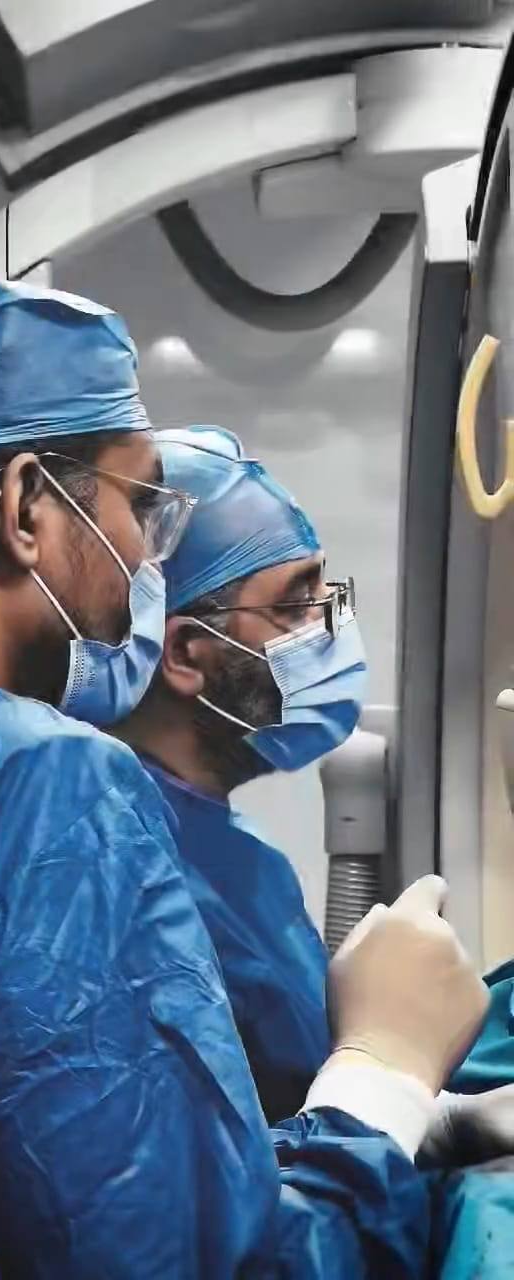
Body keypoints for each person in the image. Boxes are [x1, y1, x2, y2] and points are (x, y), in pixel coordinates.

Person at [0, 281, 488, 1279]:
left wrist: (429, 1118)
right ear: (29, 505)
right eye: (141, 509)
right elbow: (188, 1257)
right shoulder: (37, 786)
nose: (143, 564)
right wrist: (386, 1075)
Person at [117, 421, 514, 1158]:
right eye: (296, 603)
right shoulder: (134, 880)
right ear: (186, 654)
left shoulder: (226, 849)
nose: (332, 625)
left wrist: (440, 1121)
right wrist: (390, 1085)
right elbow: (220, 1187)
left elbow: (298, 1089)